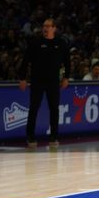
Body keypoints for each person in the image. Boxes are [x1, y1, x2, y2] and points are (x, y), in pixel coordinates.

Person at [18, 18, 70, 147]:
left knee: (54, 109)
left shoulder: (61, 43)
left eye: (48, 26)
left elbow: (67, 62)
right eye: (44, 26)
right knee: (34, 108)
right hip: (37, 81)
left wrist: (66, 77)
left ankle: (54, 137)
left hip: (53, 82)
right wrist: (22, 78)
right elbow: (25, 61)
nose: (45, 28)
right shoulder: (36, 42)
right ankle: (30, 136)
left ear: (54, 28)